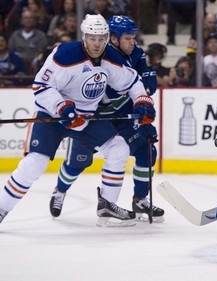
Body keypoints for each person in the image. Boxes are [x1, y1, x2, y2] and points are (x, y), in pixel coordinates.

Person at [0, 14, 156, 227]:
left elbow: (132, 81)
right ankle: (2, 208)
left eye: (102, 38)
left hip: (86, 118)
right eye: (93, 38)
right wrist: (62, 107)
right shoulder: (65, 54)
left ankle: (107, 206)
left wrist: (142, 101)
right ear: (84, 37)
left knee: (119, 148)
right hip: (53, 115)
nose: (97, 44)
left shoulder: (110, 57)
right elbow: (41, 86)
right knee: (35, 164)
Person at [49, 15, 164, 222]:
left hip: (122, 118)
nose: (133, 42)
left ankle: (139, 200)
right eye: (128, 38)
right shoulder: (100, 55)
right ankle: (60, 190)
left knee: (147, 148)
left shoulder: (137, 53)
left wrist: (142, 102)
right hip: (94, 119)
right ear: (113, 38)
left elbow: (149, 86)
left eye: (133, 37)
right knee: (77, 163)